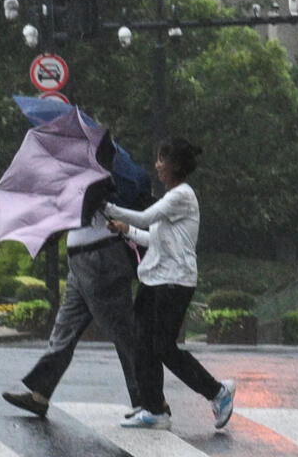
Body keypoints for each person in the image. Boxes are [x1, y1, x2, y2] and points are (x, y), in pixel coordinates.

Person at [103, 137, 235, 431]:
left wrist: (109, 208)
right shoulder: (171, 199)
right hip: (156, 278)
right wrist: (126, 231)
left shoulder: (182, 196)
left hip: (175, 282)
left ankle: (218, 392)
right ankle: (154, 410)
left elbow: (146, 217)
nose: (157, 165)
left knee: (163, 346)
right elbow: (155, 239)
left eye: (162, 159)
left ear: (176, 165)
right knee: (141, 343)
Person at [1, 208, 143, 419]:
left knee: (123, 332)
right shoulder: (78, 180)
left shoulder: (101, 179)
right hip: (79, 260)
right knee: (64, 328)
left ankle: (150, 400)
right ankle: (40, 395)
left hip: (101, 257)